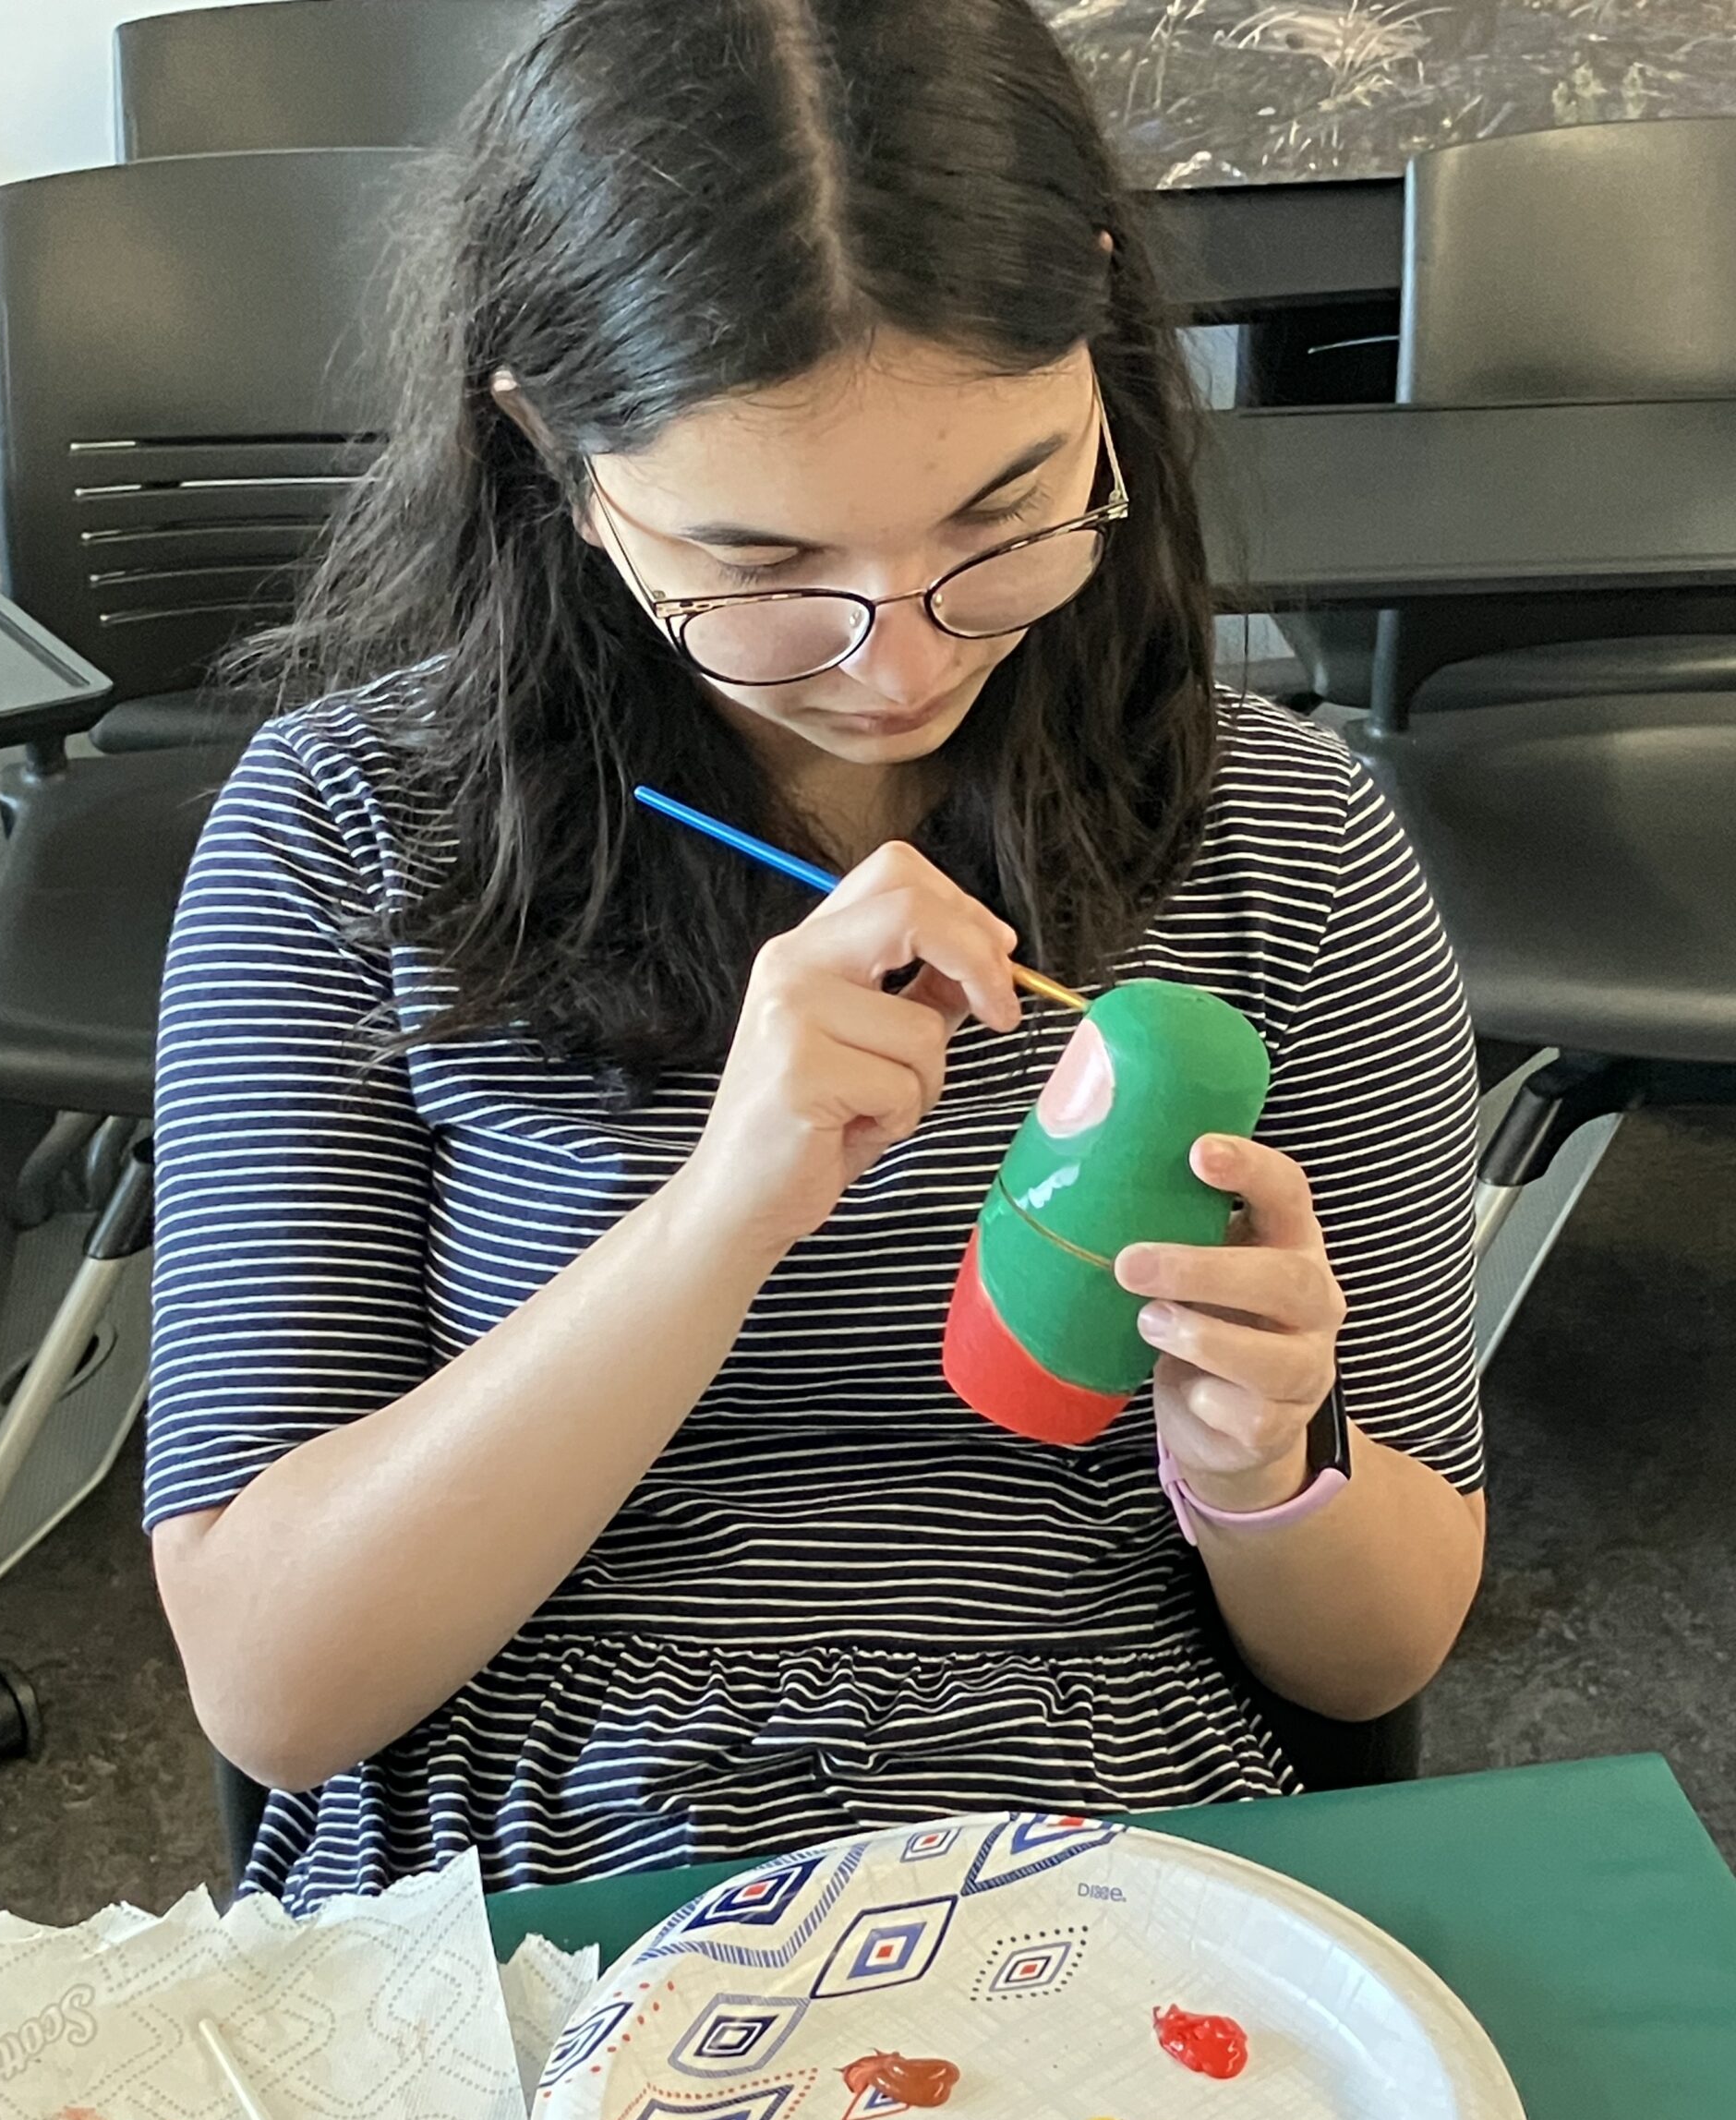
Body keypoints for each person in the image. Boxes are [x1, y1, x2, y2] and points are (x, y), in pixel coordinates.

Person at [144, 0, 1486, 1909]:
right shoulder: (348, 831)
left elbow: (1380, 1656)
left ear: (1102, 352)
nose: (904, 663)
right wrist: (721, 1210)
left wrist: (1269, 1458)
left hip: (1108, 1818)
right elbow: (273, 1683)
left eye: (1003, 520)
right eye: (766, 574)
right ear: (552, 449)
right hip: (527, 1834)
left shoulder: (1278, 833)